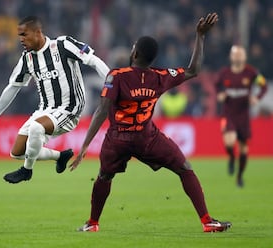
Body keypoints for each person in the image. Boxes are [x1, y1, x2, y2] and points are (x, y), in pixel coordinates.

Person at [70, 13, 232, 233]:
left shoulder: (116, 76)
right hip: (147, 137)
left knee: (104, 176)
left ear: (134, 53)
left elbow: (101, 110)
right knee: (184, 168)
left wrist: (85, 146)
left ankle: (92, 223)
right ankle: (206, 220)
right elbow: (194, 70)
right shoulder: (160, 76)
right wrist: (200, 37)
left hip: (118, 139)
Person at [0, 16, 110, 183]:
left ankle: (26, 171)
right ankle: (61, 156)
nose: (21, 39)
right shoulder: (27, 58)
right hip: (45, 110)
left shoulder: (63, 45)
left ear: (38, 32)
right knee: (17, 152)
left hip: (69, 109)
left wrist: (112, 83)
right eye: (19, 35)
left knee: (36, 127)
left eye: (24, 35)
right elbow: (13, 86)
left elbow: (93, 61)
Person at [215, 45, 267, 187]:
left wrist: (257, 97)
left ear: (244, 57)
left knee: (244, 148)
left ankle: (239, 176)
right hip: (229, 114)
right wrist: (219, 95)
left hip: (243, 116)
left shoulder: (252, 73)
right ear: (231, 57)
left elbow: (264, 85)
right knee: (230, 142)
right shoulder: (224, 73)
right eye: (235, 54)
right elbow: (217, 86)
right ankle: (232, 157)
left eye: (240, 54)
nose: (237, 57)